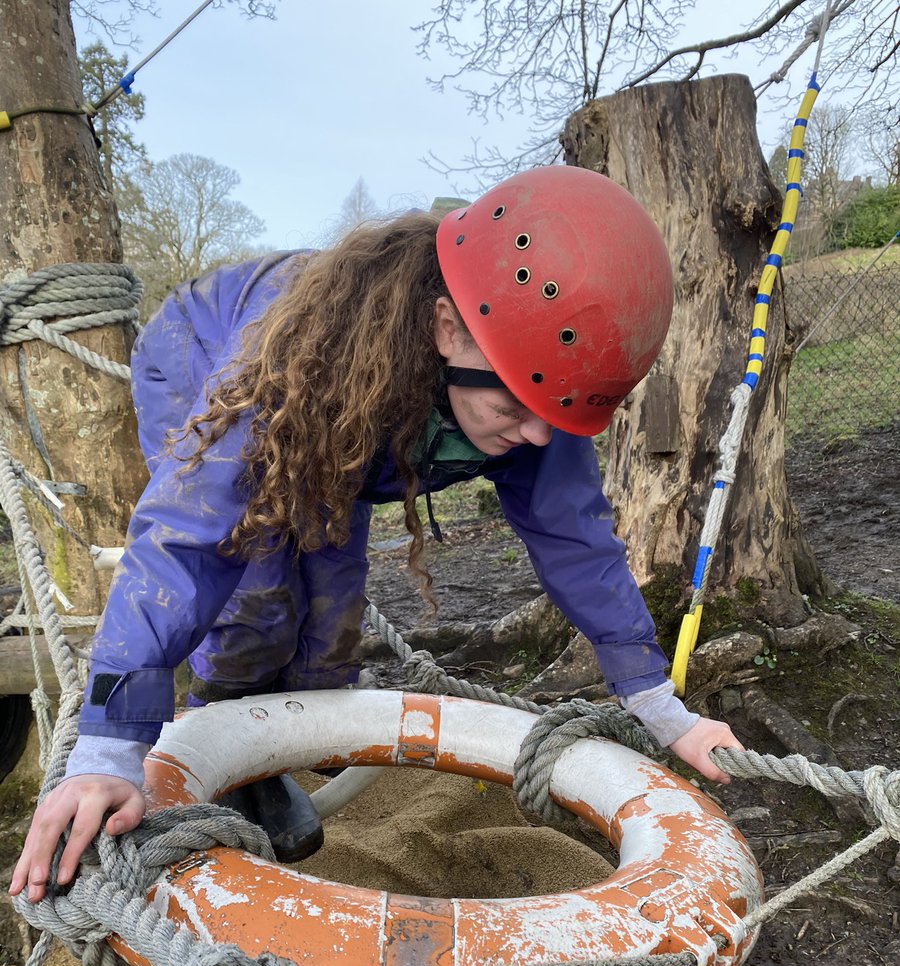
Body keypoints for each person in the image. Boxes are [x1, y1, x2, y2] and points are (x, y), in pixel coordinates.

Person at [11, 165, 743, 905]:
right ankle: (223, 749)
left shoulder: (532, 378)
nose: (539, 436)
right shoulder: (294, 355)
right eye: (518, 409)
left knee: (332, 603)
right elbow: (186, 541)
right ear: (447, 328)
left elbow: (576, 538)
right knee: (257, 595)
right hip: (208, 360)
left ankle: (272, 759)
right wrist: (107, 745)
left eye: (556, 416)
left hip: (365, 423)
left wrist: (656, 703)